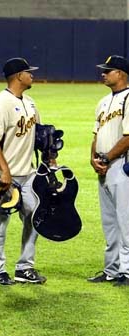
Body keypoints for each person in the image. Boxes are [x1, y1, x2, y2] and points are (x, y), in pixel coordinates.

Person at [0, 57, 46, 285]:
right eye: (29, 72)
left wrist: (51, 157)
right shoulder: (0, 104)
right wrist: (4, 171)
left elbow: (40, 134)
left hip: (27, 174)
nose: (32, 75)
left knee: (35, 215)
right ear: (19, 76)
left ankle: (24, 267)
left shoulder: (29, 102)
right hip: (3, 175)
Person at [88, 55, 129, 286]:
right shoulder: (103, 102)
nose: (103, 74)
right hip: (104, 168)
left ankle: (127, 271)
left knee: (126, 221)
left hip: (122, 168)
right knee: (110, 222)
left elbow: (128, 136)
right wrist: (94, 158)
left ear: (120, 73)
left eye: (108, 71)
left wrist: (106, 157)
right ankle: (112, 269)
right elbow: (96, 135)